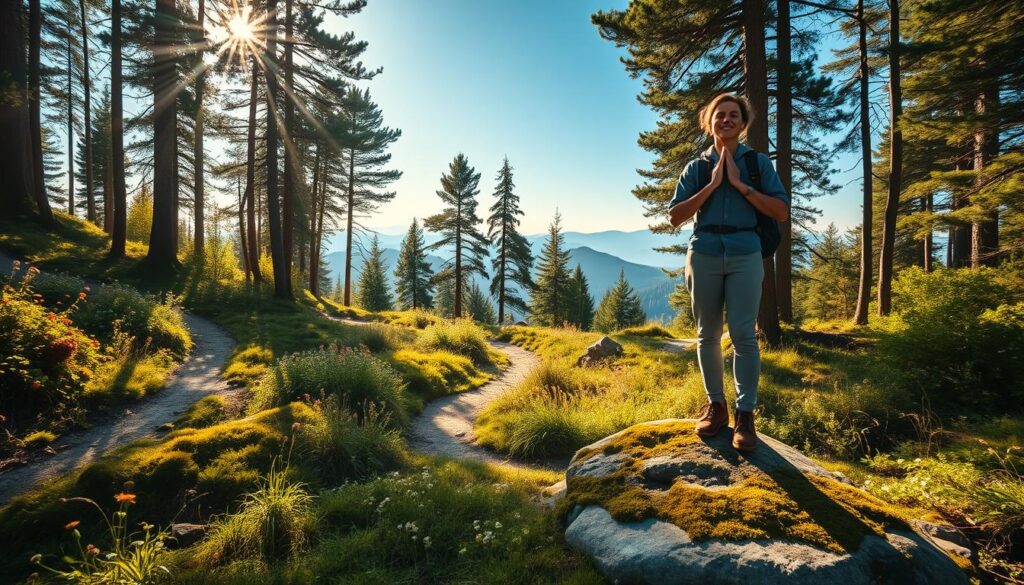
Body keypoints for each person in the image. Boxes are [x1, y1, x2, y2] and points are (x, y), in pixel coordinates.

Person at [667, 93, 789, 451]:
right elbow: (675, 216)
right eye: (719, 115)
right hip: (703, 252)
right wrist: (712, 185)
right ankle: (716, 406)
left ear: (743, 122)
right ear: (710, 122)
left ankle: (745, 415)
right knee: (707, 334)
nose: (726, 120)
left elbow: (781, 211)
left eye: (733, 115)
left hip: (745, 253)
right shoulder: (697, 167)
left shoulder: (758, 165)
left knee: (744, 334)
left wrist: (741, 186)